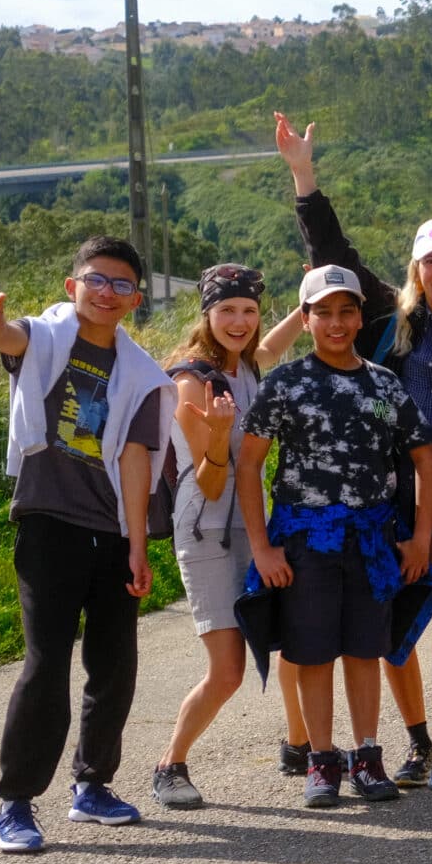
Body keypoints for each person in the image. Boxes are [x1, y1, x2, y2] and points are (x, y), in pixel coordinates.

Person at [278, 112, 432, 793]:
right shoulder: (388, 317)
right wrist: (303, 174)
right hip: (381, 510)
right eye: (431, 261)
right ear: (416, 269)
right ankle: (417, 745)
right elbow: (332, 247)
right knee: (387, 635)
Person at [0, 237, 175, 854]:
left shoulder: (142, 374)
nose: (107, 293)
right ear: (73, 286)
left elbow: (137, 460)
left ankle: (92, 786)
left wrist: (137, 545)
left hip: (112, 533)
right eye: (97, 280)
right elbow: (9, 338)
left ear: (136, 299)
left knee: (115, 666)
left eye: (122, 285)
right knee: (46, 663)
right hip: (49, 523)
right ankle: (16, 801)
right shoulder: (46, 338)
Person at [238, 265, 432, 807]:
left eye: (346, 311)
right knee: (312, 653)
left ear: (359, 317)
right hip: (305, 543)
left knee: (365, 650)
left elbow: (426, 458)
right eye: (323, 312)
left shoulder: (384, 383)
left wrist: (420, 539)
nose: (336, 322)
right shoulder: (285, 383)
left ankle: (367, 758)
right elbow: (249, 464)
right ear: (305, 320)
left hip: (372, 542)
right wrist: (262, 547)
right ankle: (322, 762)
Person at [149, 264, 309, 809]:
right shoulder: (191, 381)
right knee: (227, 671)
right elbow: (211, 481)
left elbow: (270, 347)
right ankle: (170, 765)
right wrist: (218, 434)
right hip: (208, 530)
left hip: (253, 523)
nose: (239, 321)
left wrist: (308, 305)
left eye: (248, 310)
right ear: (207, 314)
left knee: (291, 636)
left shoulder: (245, 366)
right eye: (227, 311)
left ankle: (299, 745)